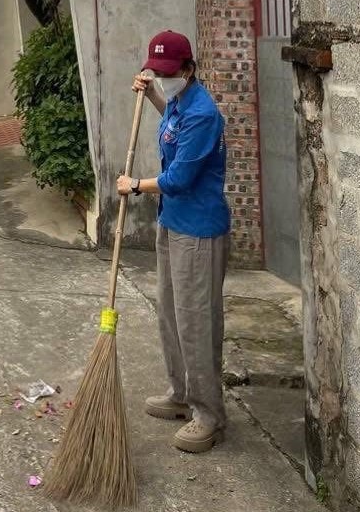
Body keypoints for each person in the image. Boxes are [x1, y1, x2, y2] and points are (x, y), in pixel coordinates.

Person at [116, 30, 230, 454]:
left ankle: (210, 415)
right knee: (170, 313)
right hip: (172, 223)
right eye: (156, 72)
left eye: (168, 73)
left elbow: (179, 178)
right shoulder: (180, 104)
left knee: (196, 323)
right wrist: (151, 99)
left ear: (189, 70)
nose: (162, 78)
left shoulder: (203, 113)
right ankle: (181, 394)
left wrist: (135, 186)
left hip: (198, 231)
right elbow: (172, 131)